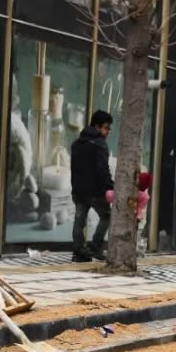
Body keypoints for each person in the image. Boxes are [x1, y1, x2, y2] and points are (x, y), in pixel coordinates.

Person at [70, 110, 114, 262]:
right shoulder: (100, 144)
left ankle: (79, 251)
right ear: (97, 126)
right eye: (106, 127)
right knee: (107, 216)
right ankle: (95, 247)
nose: (108, 131)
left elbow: (73, 169)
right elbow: (103, 169)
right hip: (95, 192)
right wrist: (110, 187)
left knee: (79, 221)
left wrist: (74, 187)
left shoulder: (76, 144)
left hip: (79, 191)